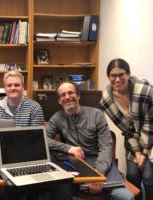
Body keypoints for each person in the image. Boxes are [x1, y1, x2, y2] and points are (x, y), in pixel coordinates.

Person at [46, 81, 134, 200]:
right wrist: (69, 148)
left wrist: (97, 175)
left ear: (78, 95)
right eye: (63, 95)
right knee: (59, 191)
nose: (67, 97)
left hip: (99, 164)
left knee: (125, 197)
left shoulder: (96, 114)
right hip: (74, 165)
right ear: (59, 100)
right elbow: (44, 140)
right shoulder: (57, 117)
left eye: (70, 93)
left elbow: (106, 147)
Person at [101, 58, 153, 200]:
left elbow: (149, 123)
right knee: (133, 175)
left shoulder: (144, 90)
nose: (117, 79)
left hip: (151, 136)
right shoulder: (106, 99)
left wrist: (144, 152)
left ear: (128, 74)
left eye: (121, 74)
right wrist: (136, 152)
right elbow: (126, 129)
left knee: (149, 177)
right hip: (132, 140)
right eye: (113, 75)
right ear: (108, 77)